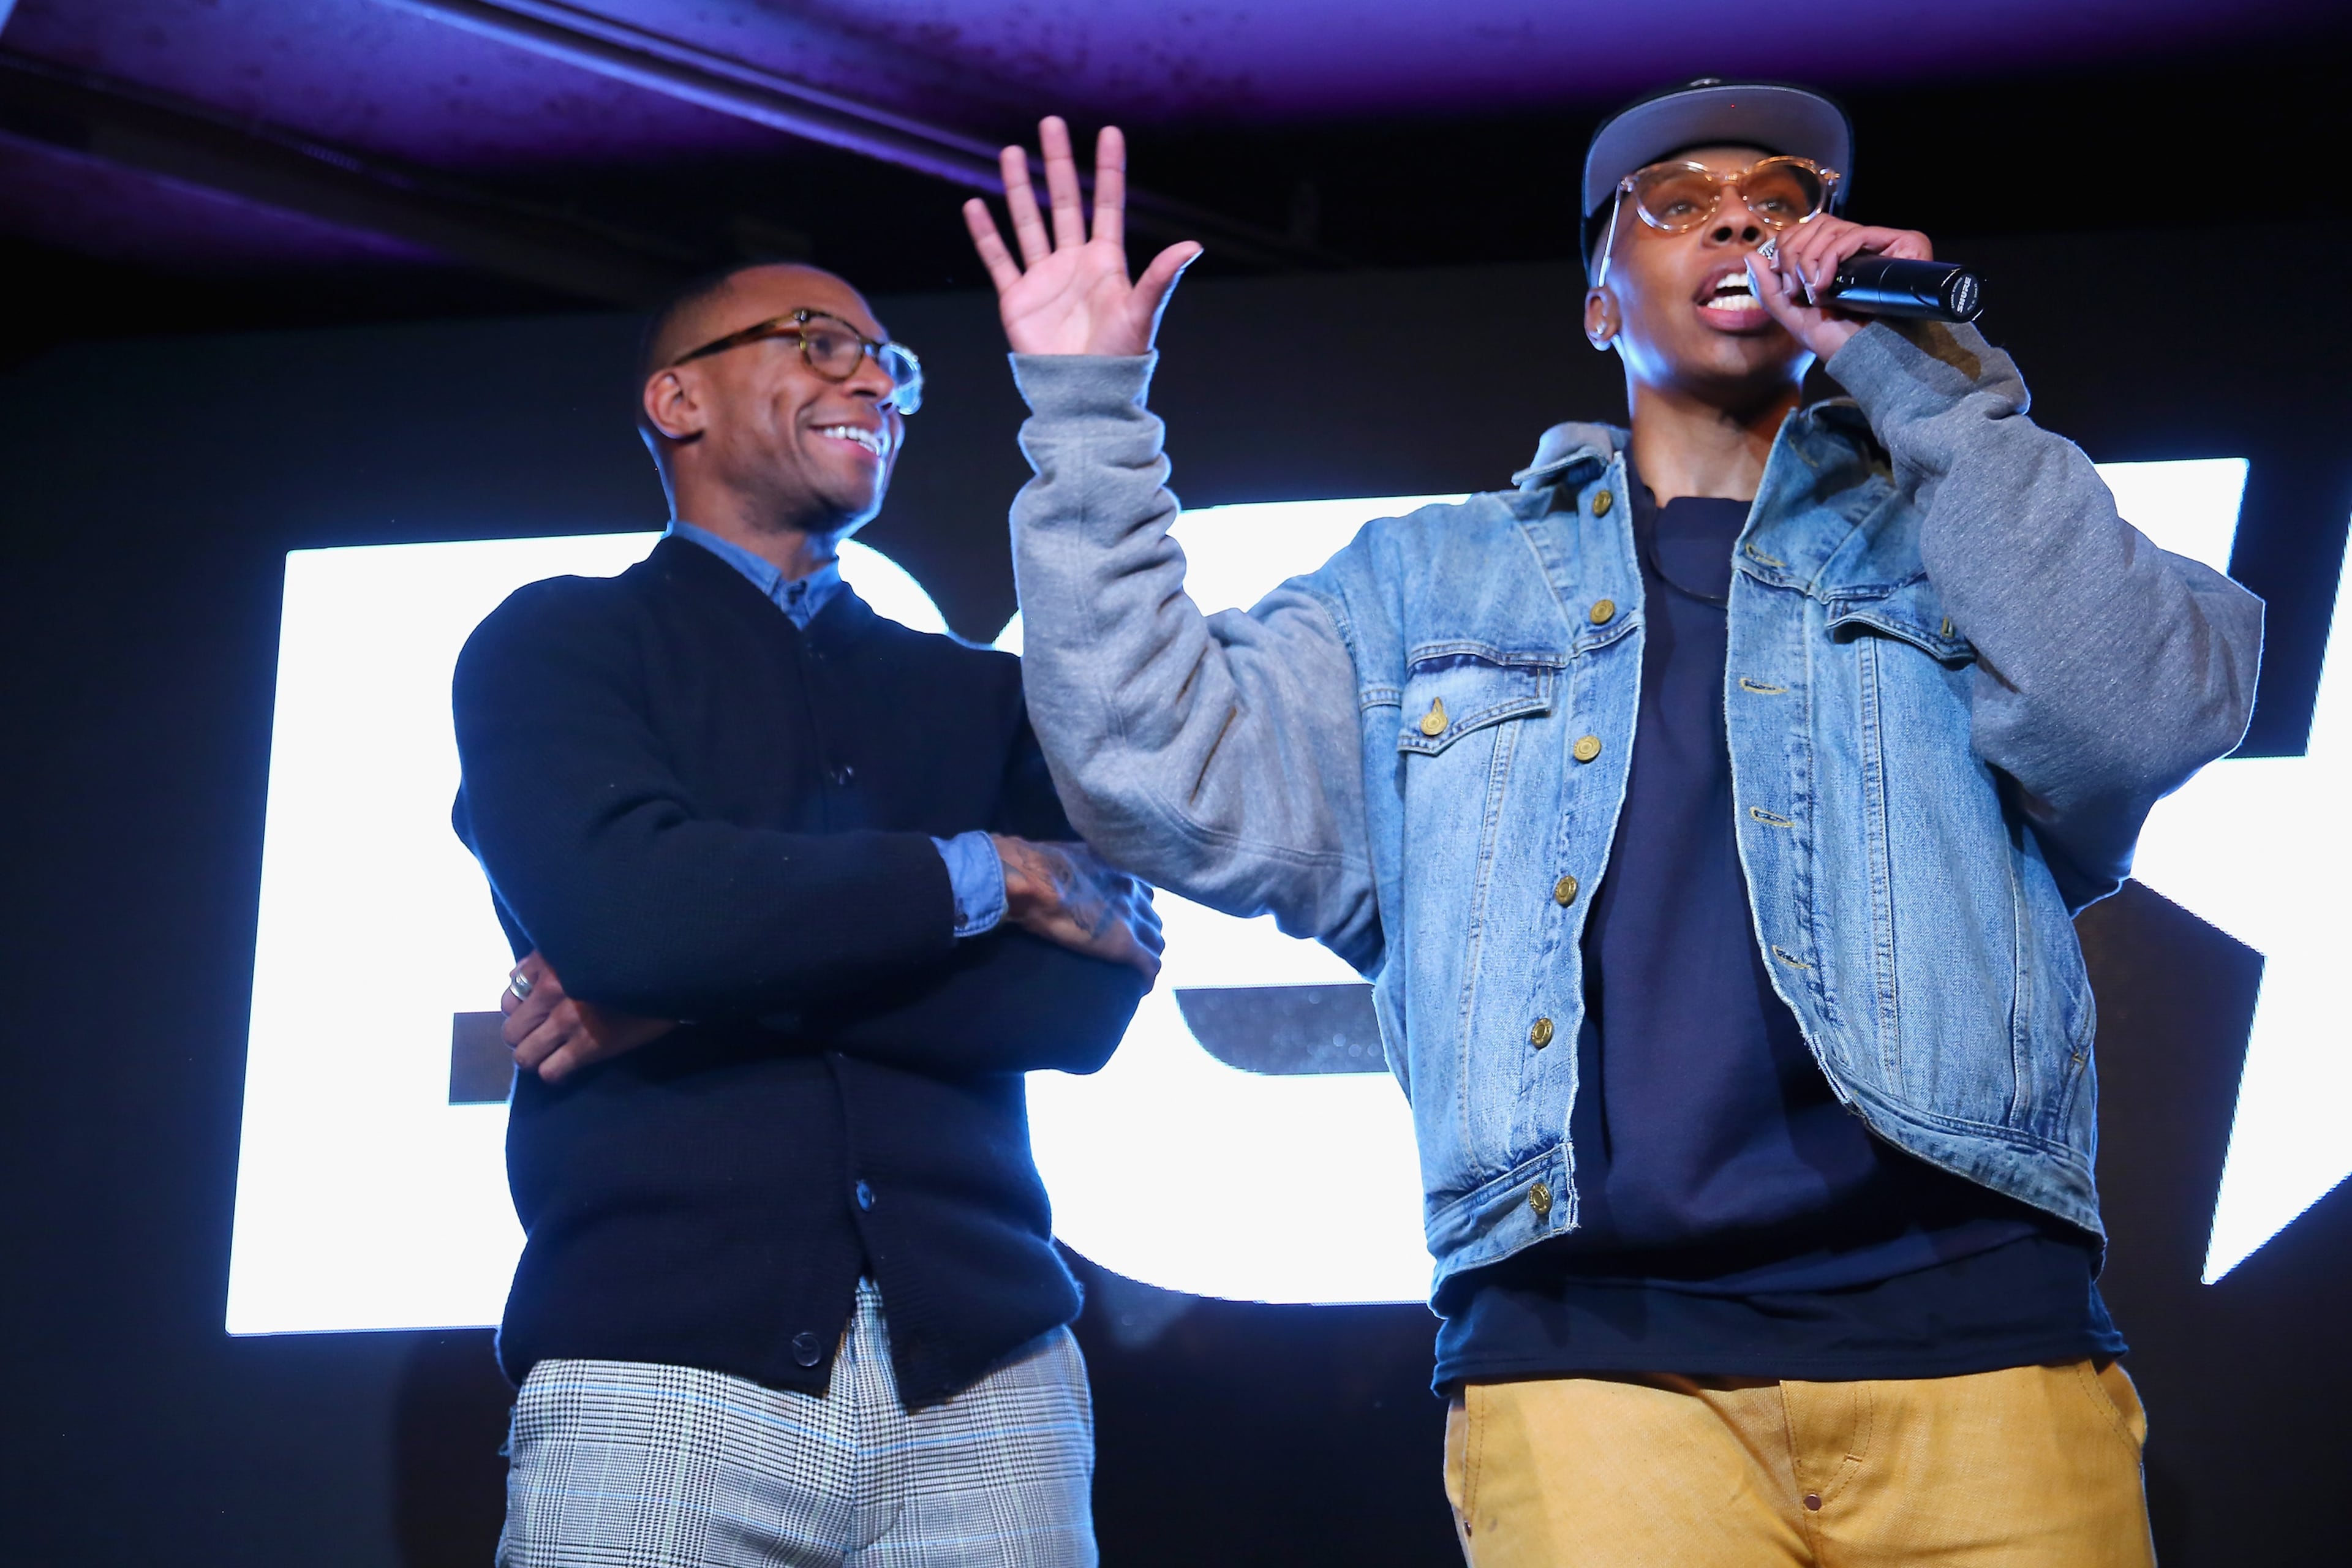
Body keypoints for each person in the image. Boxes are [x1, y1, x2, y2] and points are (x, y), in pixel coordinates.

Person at [963, 83, 2261, 1566]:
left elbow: (2141, 709)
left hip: (1976, 1341)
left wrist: (1934, 381)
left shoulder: (1961, 539)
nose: (1736, 216)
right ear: (1597, 303)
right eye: (1677, 197)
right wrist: (1085, 413)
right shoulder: (1428, 584)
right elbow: (1153, 762)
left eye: (1781, 197)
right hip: (1593, 1373)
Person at [450, 259, 1162, 1568]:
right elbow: (628, 918)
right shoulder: (560, 645)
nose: (870, 376)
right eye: (818, 340)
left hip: (992, 1386)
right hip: (655, 1378)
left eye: (890, 360)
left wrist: (674, 993)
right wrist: (989, 874)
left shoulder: (984, 695)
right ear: (677, 398)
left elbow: (1080, 999)